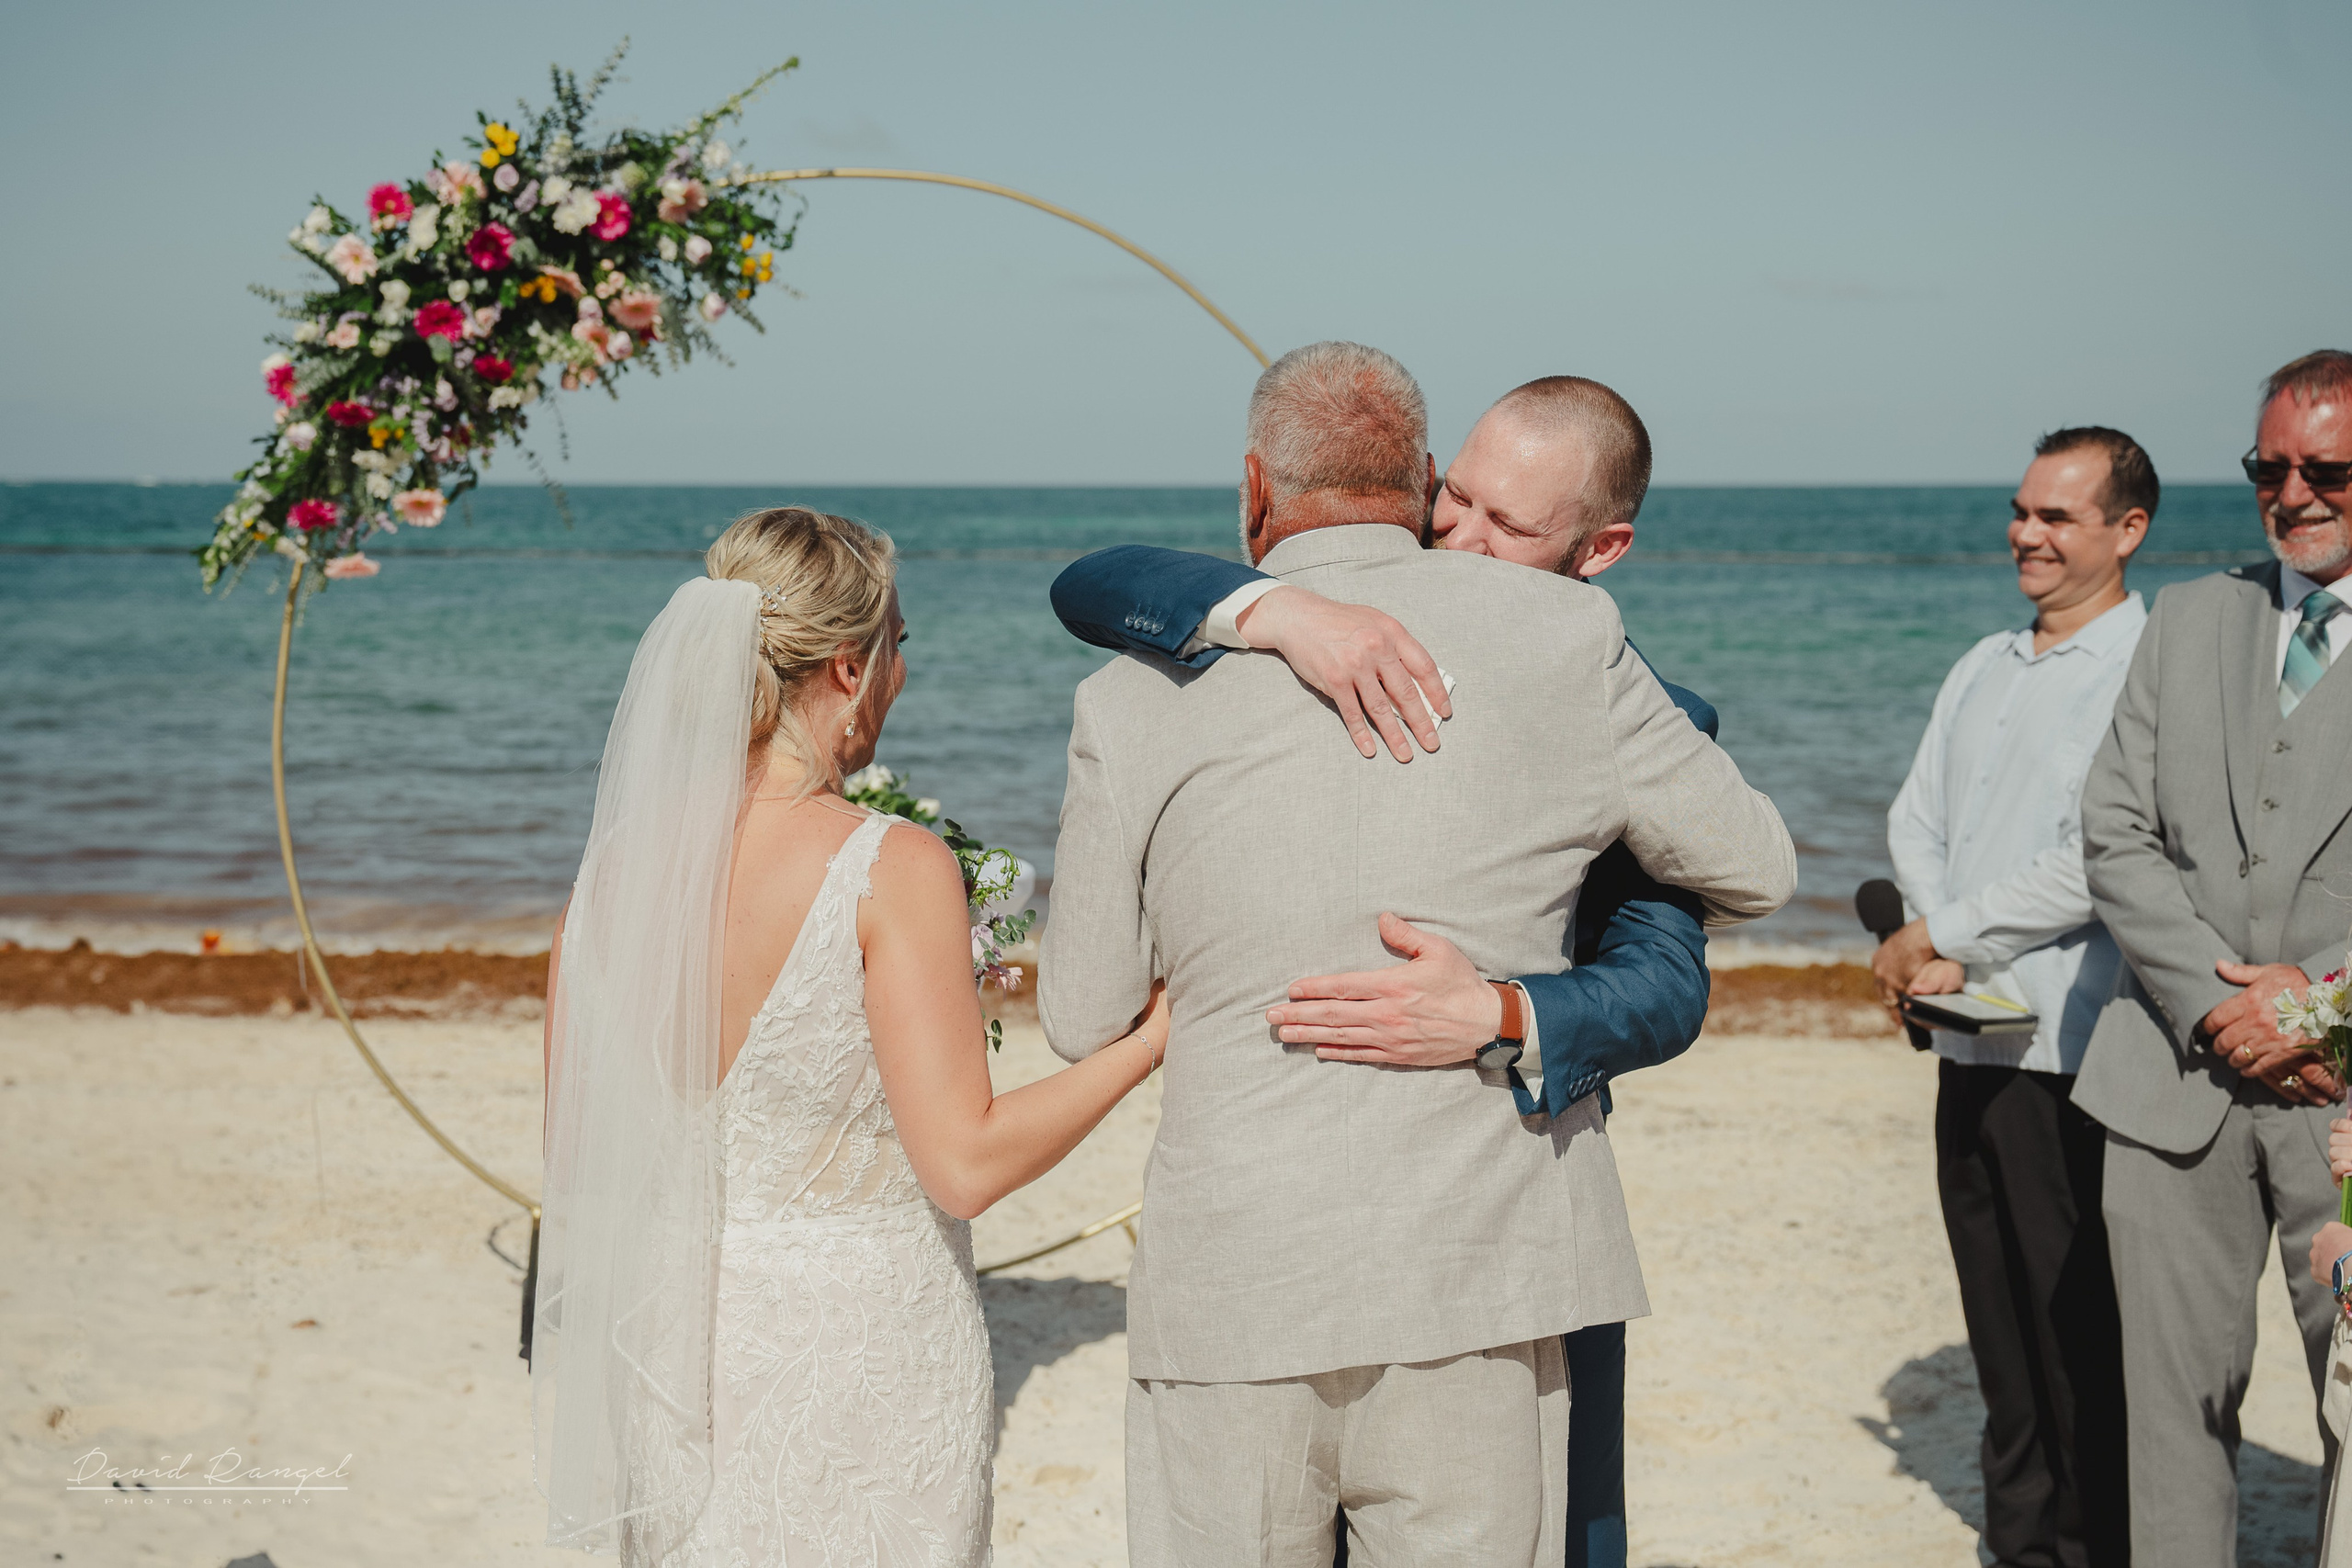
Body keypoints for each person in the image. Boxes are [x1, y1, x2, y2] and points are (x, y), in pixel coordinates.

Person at [1039, 342, 1796, 1566]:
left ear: (1252, 485)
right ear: (1429, 472)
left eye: (1511, 520)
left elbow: (1082, 1013)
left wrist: (1504, 1006)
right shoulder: (1575, 645)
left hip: (1236, 1273)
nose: (1470, 534)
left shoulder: (1130, 699)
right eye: (1462, 502)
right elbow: (1760, 869)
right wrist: (1277, 608)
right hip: (1476, 1279)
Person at [532, 507, 1170, 1567]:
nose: (900, 673)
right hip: (861, 1348)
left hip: (674, 1348)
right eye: (899, 645)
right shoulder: (890, 864)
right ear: (846, 667)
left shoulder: (611, 874)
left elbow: (576, 1144)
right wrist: (1145, 1044)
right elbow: (963, 1165)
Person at [2075, 348, 2352, 1566]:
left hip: (2341, 1097)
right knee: (2171, 1429)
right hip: (2168, 1086)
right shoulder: (2187, 617)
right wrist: (2212, 1003)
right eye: (2267, 466)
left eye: (2327, 468)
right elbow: (2115, 830)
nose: (2292, 493)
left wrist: (2325, 1006)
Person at [1873, 426, 2154, 1567]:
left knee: (2078, 1332)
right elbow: (1916, 818)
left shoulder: (2145, 671)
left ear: (2128, 531)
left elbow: (2100, 860)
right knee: (1996, 1332)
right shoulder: (1983, 662)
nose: (2026, 535)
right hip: (1967, 1044)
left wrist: (1945, 933)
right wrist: (1930, 948)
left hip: (2073, 1055)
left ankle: (2093, 1548)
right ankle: (2018, 1547)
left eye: (2058, 517)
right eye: (2021, 510)